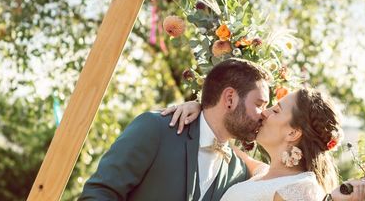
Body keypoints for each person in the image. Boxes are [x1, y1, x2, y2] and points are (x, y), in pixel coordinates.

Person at [78, 58, 272, 200]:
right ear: (230, 99)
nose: (264, 114)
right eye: (260, 104)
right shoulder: (155, 129)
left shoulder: (239, 171)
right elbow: (99, 193)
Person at [165, 85, 365, 201]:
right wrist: (203, 110)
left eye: (275, 110)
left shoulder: (300, 189)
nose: (264, 112)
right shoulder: (265, 174)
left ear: (293, 132)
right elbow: (225, 143)